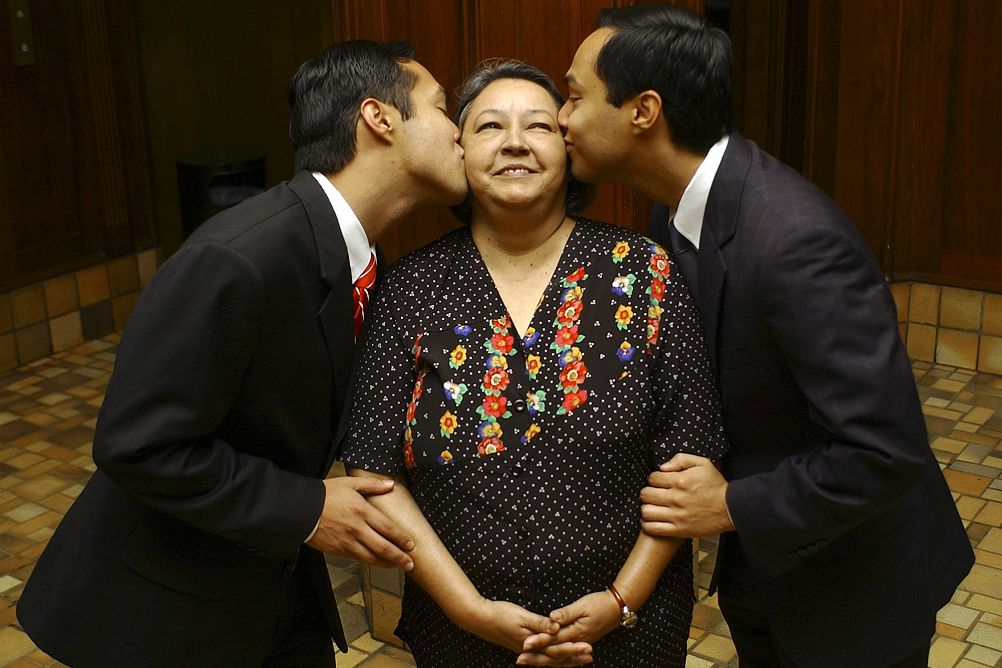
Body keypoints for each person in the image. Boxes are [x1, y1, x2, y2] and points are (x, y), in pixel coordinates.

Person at [16, 40, 468, 667]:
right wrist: (309, 507)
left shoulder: (364, 261)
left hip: (267, 591)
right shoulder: (238, 257)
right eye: (443, 108)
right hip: (165, 613)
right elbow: (136, 442)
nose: (460, 133)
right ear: (379, 118)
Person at [558, 6, 975, 668]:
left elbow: (884, 453)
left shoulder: (795, 242)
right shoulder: (675, 206)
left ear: (644, 111)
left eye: (575, 96)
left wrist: (727, 504)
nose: (561, 119)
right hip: (770, 569)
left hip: (854, 593)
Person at [340, 58, 727, 668]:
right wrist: (468, 607)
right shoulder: (411, 288)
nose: (515, 141)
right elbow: (372, 466)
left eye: (540, 126)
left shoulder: (643, 271)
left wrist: (622, 599)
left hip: (629, 630)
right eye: (490, 126)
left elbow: (689, 455)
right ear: (459, 148)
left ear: (569, 147)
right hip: (461, 631)